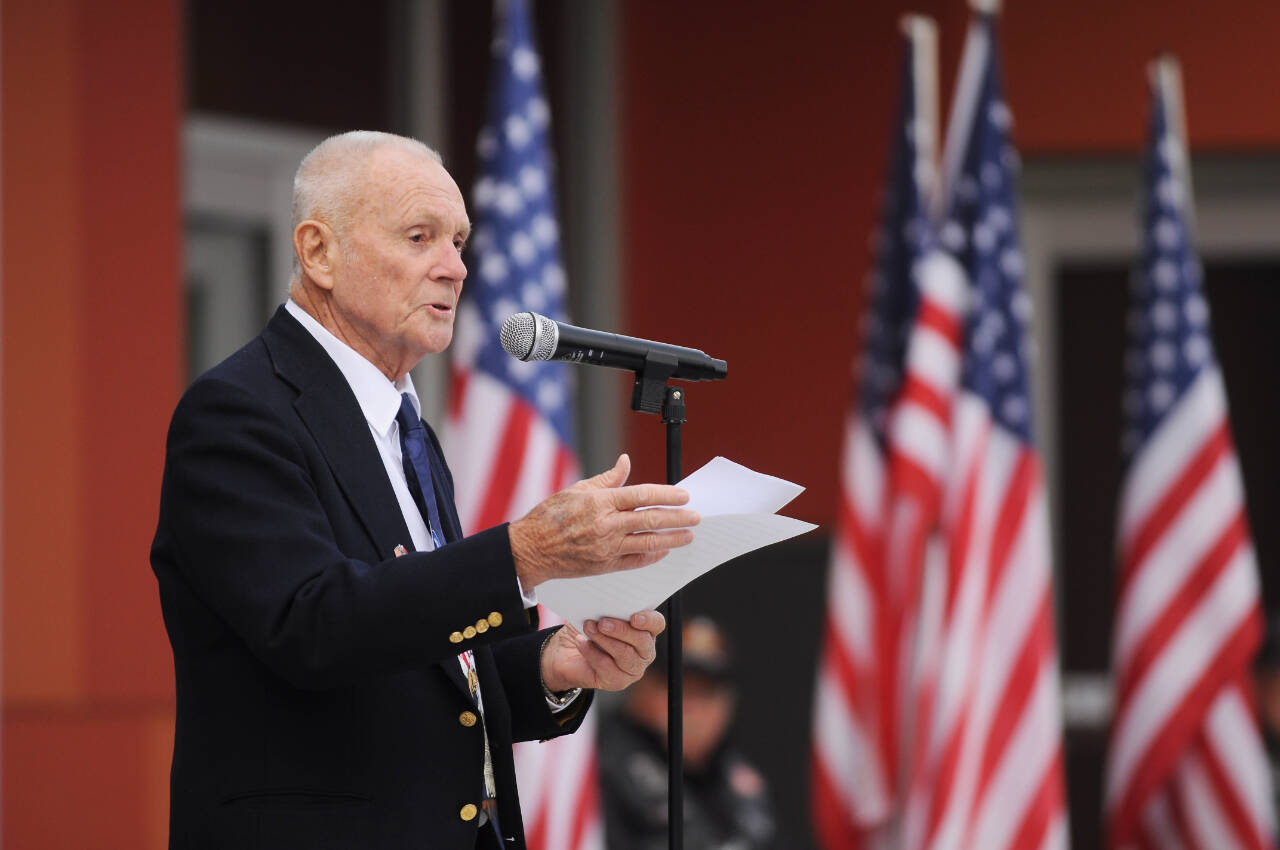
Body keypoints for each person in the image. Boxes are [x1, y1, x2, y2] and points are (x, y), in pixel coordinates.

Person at [150, 130, 700, 850]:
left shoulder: (404, 424)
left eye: (461, 242)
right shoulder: (237, 413)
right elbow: (316, 628)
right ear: (318, 252)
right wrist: (523, 554)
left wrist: (555, 666)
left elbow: (436, 665)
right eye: (420, 237)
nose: (454, 269)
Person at [598, 616, 777, 850]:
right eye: (677, 688)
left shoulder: (737, 776)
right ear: (641, 686)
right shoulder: (603, 765)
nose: (690, 708)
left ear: (728, 704)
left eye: (705, 693)